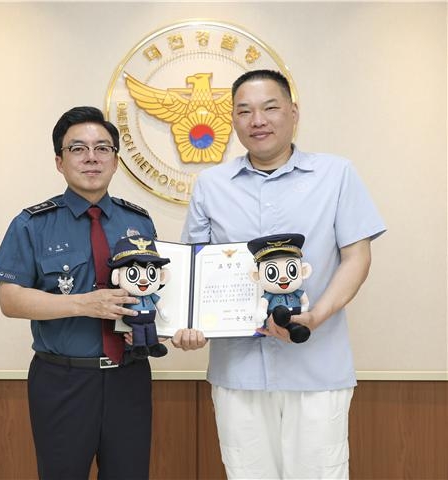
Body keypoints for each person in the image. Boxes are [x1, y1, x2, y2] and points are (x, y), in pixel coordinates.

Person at [175, 69, 386, 479]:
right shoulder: (211, 185)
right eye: (244, 111)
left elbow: (357, 258)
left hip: (318, 367)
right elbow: (195, 271)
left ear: (293, 112)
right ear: (233, 120)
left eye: (270, 107)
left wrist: (316, 317)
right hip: (239, 372)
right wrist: (186, 323)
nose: (258, 120)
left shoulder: (336, 174)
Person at [0, 106, 158, 480]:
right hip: (62, 380)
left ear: (116, 160)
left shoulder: (139, 221)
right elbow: (10, 299)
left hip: (129, 376)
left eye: (103, 148)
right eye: (77, 148)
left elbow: (156, 293)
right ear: (59, 162)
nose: (92, 157)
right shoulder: (32, 223)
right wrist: (84, 303)